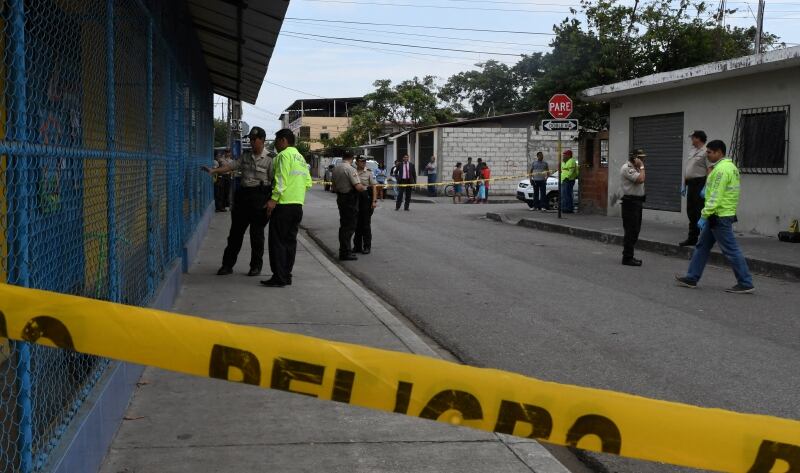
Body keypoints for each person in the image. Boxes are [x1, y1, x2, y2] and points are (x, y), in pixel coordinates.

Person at [675, 140, 754, 294]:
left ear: (719, 152)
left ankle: (745, 282)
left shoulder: (721, 170)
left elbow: (715, 197)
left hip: (718, 216)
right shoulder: (729, 167)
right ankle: (691, 278)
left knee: (731, 250)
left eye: (710, 152)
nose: (707, 155)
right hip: (719, 214)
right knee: (702, 246)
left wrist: (704, 216)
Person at [203, 126, 272, 277]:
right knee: (235, 234)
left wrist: (272, 202)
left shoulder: (271, 159)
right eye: (250, 139)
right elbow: (231, 166)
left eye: (254, 140)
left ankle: (255, 267)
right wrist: (214, 170)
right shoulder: (245, 156)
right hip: (243, 198)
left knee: (257, 236)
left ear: (262, 140)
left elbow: (275, 182)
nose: (252, 142)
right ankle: (227, 265)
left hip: (259, 199)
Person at [260, 128, 312, 287]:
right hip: (297, 206)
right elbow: (308, 182)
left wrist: (273, 199)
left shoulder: (283, 155)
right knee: (290, 242)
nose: (275, 145)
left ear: (283, 140)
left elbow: (281, 179)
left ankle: (279, 277)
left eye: (276, 141)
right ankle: (286, 275)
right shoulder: (301, 158)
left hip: (283, 205)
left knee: (277, 243)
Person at [332, 151, 365, 260]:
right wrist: (365, 188)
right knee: (349, 226)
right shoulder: (350, 169)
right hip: (350, 199)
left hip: (340, 198)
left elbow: (334, 187)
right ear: (352, 158)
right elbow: (358, 187)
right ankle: (345, 252)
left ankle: (344, 250)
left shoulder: (335, 169)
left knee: (343, 225)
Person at [680, 130, 708, 247]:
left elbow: (709, 170)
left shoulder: (706, 151)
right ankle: (692, 238)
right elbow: (688, 168)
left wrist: (706, 187)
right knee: (690, 211)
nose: (691, 140)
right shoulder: (692, 151)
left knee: (699, 211)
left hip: (700, 183)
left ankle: (704, 239)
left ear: (698, 138)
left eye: (693, 138)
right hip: (691, 183)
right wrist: (684, 184)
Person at [620, 149, 647, 266]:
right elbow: (641, 179)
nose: (643, 160)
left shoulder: (635, 168)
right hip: (630, 203)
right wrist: (642, 167)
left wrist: (640, 167)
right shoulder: (627, 168)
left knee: (635, 230)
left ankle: (628, 254)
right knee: (631, 231)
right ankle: (627, 257)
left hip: (636, 202)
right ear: (635, 158)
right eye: (641, 158)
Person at [353, 156, 378, 254]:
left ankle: (367, 246)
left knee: (365, 224)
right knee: (356, 223)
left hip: (365, 198)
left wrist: (374, 201)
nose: (363, 163)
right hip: (355, 198)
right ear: (356, 162)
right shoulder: (353, 171)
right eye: (361, 161)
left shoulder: (369, 172)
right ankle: (357, 246)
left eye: (364, 161)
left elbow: (374, 187)